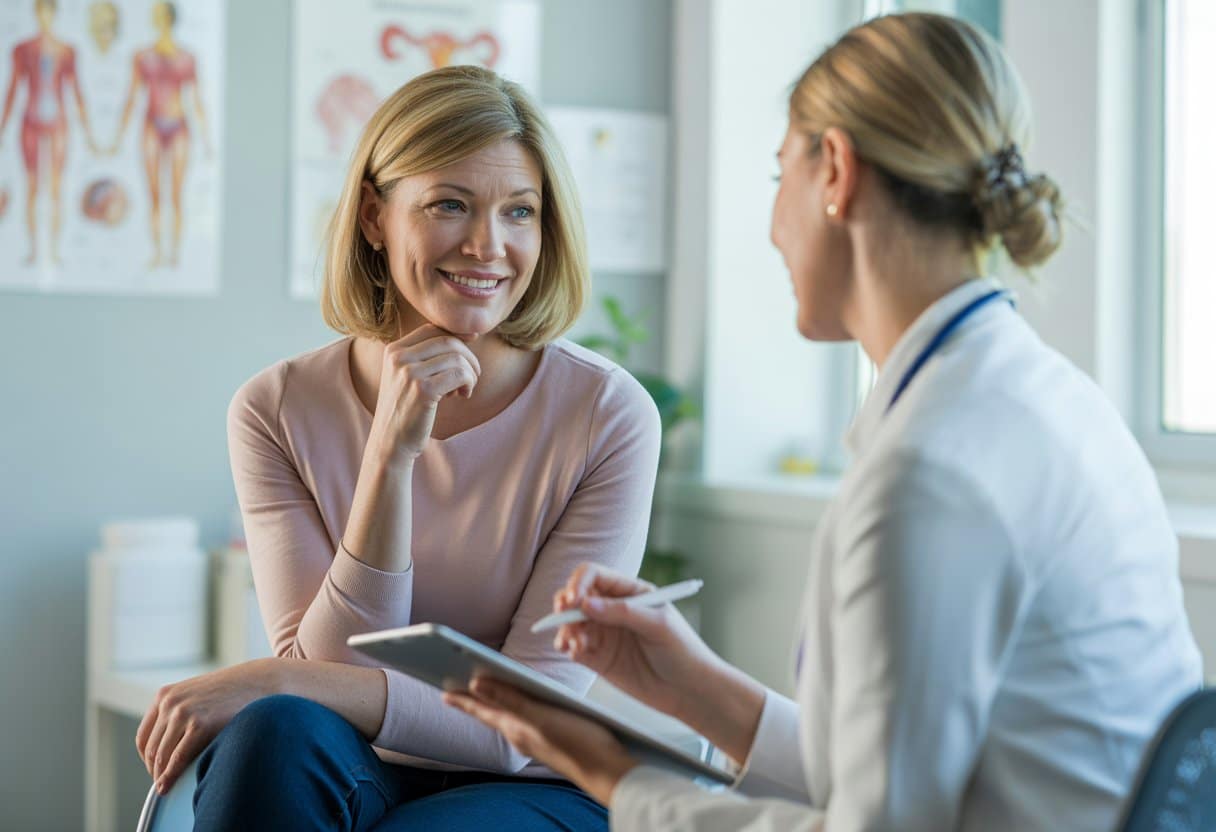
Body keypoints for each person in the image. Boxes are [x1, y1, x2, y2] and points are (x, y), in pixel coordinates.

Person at [447, 13, 1204, 831]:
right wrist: (694, 689)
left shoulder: (932, 472)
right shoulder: (1045, 400)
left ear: (835, 171)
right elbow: (896, 774)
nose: (774, 227)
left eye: (781, 177)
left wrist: (615, 777)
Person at [133, 65, 660, 830]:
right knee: (270, 734)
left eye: (520, 212)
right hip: (354, 765)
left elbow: (531, 721)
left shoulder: (606, 414)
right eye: (450, 204)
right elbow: (323, 681)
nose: (488, 246)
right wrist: (389, 455)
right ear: (376, 218)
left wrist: (267, 677)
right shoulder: (275, 409)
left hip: (544, 778)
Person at [110, 1, 210, 268]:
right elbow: (132, 97)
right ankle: (157, 252)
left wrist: (208, 140)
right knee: (154, 194)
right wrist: (118, 138)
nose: (155, 19)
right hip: (152, 126)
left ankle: (174, 253)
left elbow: (196, 100)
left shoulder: (187, 58)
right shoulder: (142, 57)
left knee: (175, 194)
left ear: (168, 18)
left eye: (158, 14)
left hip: (178, 127)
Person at [0, 0, 99, 266]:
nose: (44, 17)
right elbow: (12, 89)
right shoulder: (22, 49)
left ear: (54, 15)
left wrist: (89, 133)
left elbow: (76, 92)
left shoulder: (66, 51)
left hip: (57, 124)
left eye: (48, 12)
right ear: (36, 14)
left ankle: (54, 250)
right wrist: (2, 127)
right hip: (31, 122)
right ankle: (34, 249)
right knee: (32, 187)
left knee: (55, 187)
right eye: (40, 12)